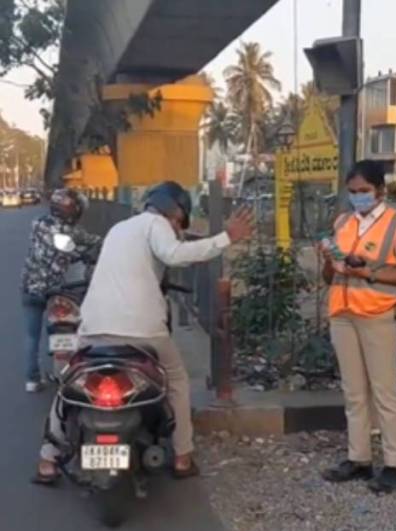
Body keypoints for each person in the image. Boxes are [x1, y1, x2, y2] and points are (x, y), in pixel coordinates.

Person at [32, 181, 255, 484]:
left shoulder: (119, 229)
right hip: (142, 330)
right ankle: (182, 456)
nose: (177, 228)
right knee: (176, 379)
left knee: (69, 379)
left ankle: (47, 458)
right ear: (173, 211)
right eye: (179, 222)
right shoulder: (156, 224)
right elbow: (175, 254)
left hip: (95, 327)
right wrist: (226, 237)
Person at [320, 160, 396, 495]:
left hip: (377, 315)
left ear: (380, 189)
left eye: (364, 191)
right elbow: (329, 276)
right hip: (342, 313)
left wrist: (368, 274)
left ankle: (394, 465)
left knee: (384, 392)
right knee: (353, 392)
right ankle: (358, 458)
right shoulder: (343, 222)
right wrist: (327, 259)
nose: (358, 197)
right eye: (353, 192)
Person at [20, 189, 101, 393]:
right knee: (65, 328)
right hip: (56, 289)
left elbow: (53, 249)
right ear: (72, 210)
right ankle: (68, 370)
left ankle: (32, 380)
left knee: (32, 336)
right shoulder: (71, 232)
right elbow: (91, 243)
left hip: (29, 285)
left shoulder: (37, 222)